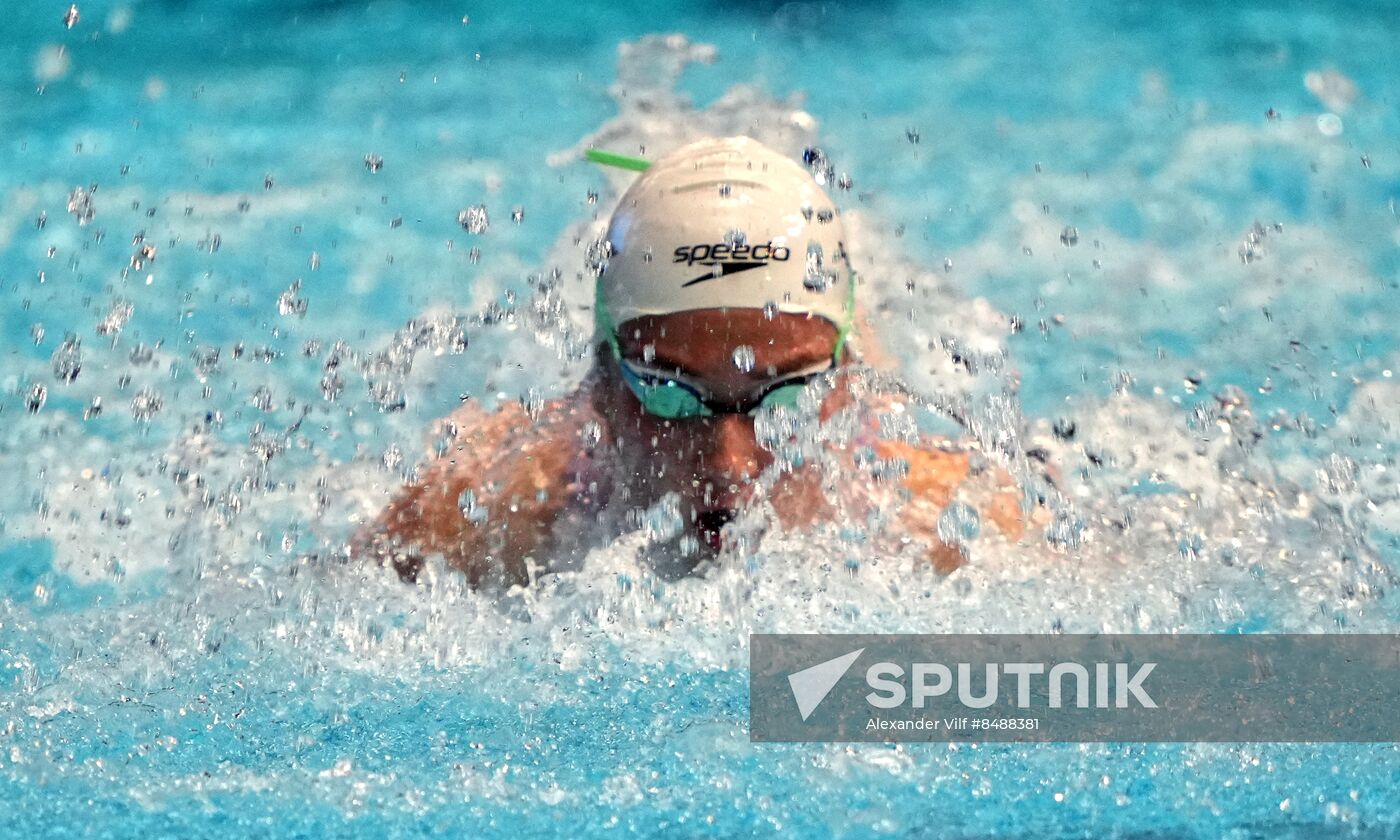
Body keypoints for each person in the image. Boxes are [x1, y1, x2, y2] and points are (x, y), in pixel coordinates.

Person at [356, 136, 1035, 588]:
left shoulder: (947, 517)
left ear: (845, 382)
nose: (730, 463)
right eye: (669, 391)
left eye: (789, 396)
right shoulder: (489, 507)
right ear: (599, 380)